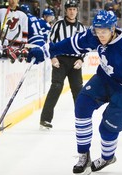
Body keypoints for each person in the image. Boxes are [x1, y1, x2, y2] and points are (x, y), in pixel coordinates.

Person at [27, 10, 122, 175]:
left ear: (113, 28)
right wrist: (45, 51)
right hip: (104, 79)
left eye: (104, 31)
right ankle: (84, 156)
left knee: (107, 128)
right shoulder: (94, 35)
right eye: (98, 31)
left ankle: (108, 157)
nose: (100, 36)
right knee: (82, 105)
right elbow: (69, 44)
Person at [39, 0, 86, 130]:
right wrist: (53, 57)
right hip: (60, 61)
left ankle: (82, 120)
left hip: (75, 61)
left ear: (77, 11)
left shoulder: (81, 27)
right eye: (70, 9)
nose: (72, 11)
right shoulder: (58, 25)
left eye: (74, 9)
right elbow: (50, 41)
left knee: (78, 90)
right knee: (56, 87)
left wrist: (81, 59)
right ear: (66, 10)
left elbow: (85, 45)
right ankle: (45, 119)